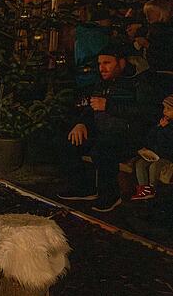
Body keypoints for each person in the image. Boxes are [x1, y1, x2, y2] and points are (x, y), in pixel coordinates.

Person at [59, 43, 158, 212]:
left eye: (107, 63)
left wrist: (110, 106)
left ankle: (111, 195)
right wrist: (81, 123)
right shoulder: (103, 82)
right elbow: (92, 107)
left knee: (102, 149)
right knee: (69, 140)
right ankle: (85, 188)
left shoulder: (139, 82)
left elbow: (147, 112)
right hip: (102, 130)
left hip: (128, 135)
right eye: (99, 64)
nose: (102, 68)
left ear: (121, 63)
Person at [131, 94, 173, 200]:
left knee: (154, 167)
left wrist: (165, 128)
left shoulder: (169, 126)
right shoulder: (162, 122)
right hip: (155, 153)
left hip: (167, 156)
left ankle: (153, 188)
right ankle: (144, 189)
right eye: (164, 108)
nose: (165, 111)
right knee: (140, 164)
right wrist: (158, 128)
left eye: (168, 109)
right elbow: (151, 137)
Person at [138, 0, 173, 73]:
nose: (148, 16)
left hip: (163, 69)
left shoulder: (166, 30)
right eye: (146, 13)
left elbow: (166, 52)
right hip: (153, 66)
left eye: (150, 12)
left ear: (162, 12)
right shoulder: (152, 28)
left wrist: (147, 45)